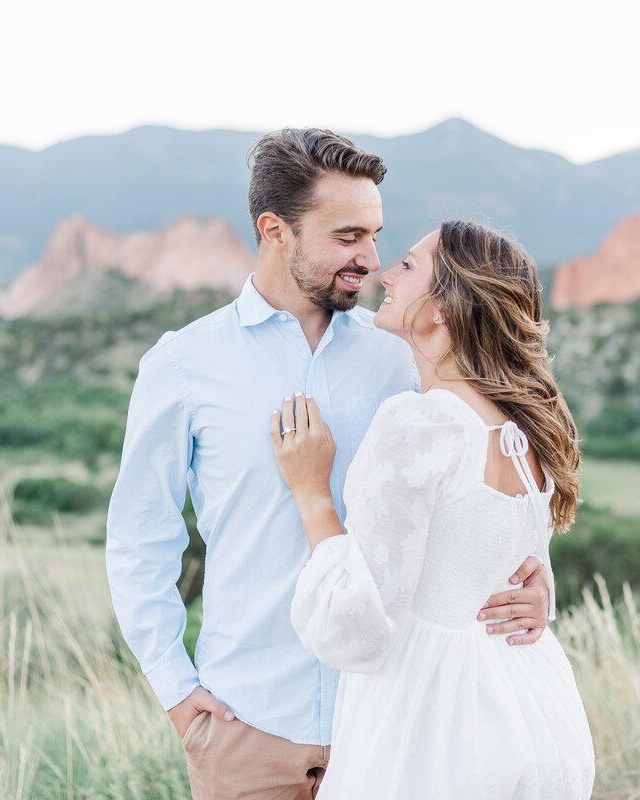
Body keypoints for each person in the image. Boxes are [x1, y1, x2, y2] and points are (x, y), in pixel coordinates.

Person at [105, 129, 553, 800]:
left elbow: (482, 480)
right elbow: (140, 539)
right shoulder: (183, 365)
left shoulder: (406, 357)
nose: (370, 260)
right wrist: (175, 689)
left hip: (391, 727)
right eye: (347, 238)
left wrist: (532, 578)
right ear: (275, 231)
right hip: (244, 726)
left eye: (375, 236)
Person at [270, 220, 595, 798]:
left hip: (433, 727)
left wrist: (311, 493)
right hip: (532, 710)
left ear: (443, 307)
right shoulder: (525, 430)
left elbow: (360, 628)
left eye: (408, 265)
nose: (384, 273)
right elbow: (516, 569)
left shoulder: (419, 423)